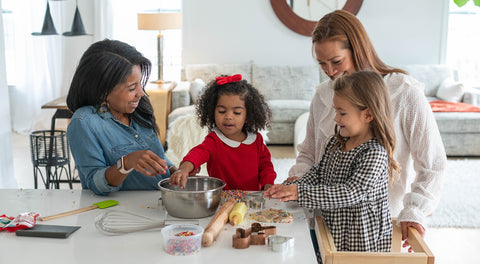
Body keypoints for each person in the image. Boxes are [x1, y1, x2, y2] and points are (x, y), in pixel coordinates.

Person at [287, 10, 446, 248]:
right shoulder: (323, 95)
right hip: (324, 223)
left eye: (337, 61)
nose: (330, 71)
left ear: (358, 49)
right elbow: (310, 154)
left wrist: (415, 211)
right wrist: (297, 183)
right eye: (322, 64)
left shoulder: (403, 92)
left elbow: (433, 164)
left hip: (373, 230)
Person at [265, 71, 400, 252]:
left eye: (342, 113)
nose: (336, 118)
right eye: (336, 111)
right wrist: (294, 186)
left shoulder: (374, 154)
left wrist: (300, 192)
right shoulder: (336, 143)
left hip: (361, 243)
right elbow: (318, 173)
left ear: (368, 115)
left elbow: (350, 193)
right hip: (333, 232)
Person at [66, 39, 175, 196]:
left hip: (160, 202)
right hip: (119, 212)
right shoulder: (83, 122)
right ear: (103, 91)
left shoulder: (139, 108)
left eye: (140, 85)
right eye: (132, 88)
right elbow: (94, 183)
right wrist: (126, 163)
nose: (141, 93)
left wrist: (176, 171)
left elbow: (158, 157)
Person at [168, 74, 276, 191]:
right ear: (212, 112)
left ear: (248, 115)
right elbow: (197, 154)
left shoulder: (256, 139)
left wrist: (268, 184)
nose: (228, 117)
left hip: (253, 199)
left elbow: (266, 166)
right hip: (223, 199)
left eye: (237, 113)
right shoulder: (214, 140)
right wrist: (184, 168)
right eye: (222, 111)